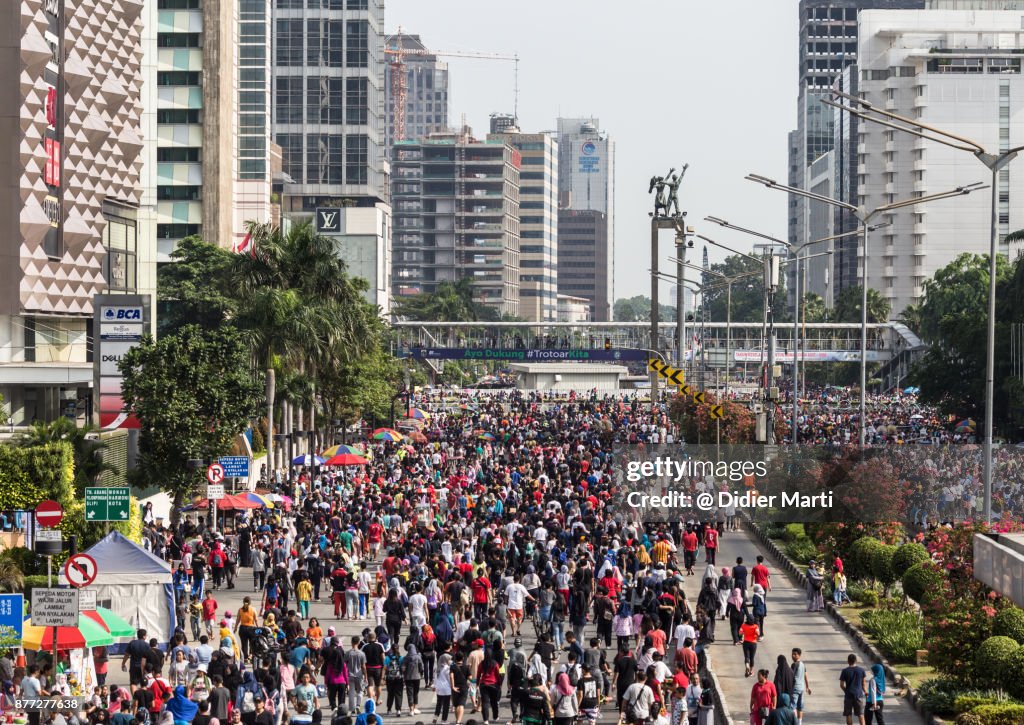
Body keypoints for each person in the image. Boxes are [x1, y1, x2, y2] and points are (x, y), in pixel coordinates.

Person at [839, 654, 867, 725]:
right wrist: (866, 692)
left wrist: (846, 691)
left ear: (848, 661)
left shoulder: (845, 671)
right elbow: (863, 684)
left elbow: (841, 685)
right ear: (856, 661)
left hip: (848, 695)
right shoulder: (861, 670)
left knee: (848, 714)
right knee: (861, 714)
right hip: (858, 695)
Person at [790, 649, 811, 725]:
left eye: (795, 654)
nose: (793, 656)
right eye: (792, 654)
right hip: (801, 688)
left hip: (795, 688)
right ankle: (799, 723)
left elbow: (791, 676)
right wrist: (807, 687)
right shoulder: (803, 664)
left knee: (792, 706)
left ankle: (793, 722)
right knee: (800, 707)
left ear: (799, 655)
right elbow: (806, 675)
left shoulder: (794, 664)